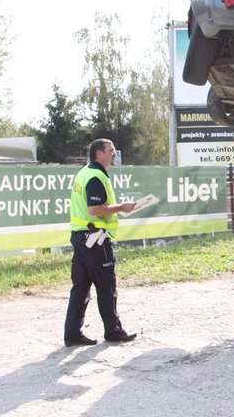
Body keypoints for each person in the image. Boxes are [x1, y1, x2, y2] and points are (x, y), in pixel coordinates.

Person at [64, 138, 138, 346]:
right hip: (94, 239)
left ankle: (72, 334)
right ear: (99, 153)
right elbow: (94, 210)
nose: (114, 154)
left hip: (81, 237)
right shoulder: (96, 176)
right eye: (111, 150)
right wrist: (121, 207)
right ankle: (113, 330)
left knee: (80, 286)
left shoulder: (84, 172)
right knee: (106, 286)